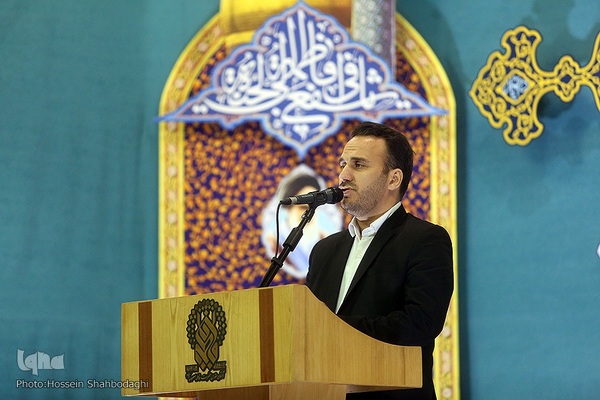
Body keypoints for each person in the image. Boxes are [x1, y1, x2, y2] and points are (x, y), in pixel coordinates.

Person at [305, 121, 454, 400]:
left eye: (358, 165)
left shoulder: (424, 239)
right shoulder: (325, 251)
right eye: (342, 164)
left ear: (393, 179)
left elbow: (421, 322)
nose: (343, 176)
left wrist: (334, 330)